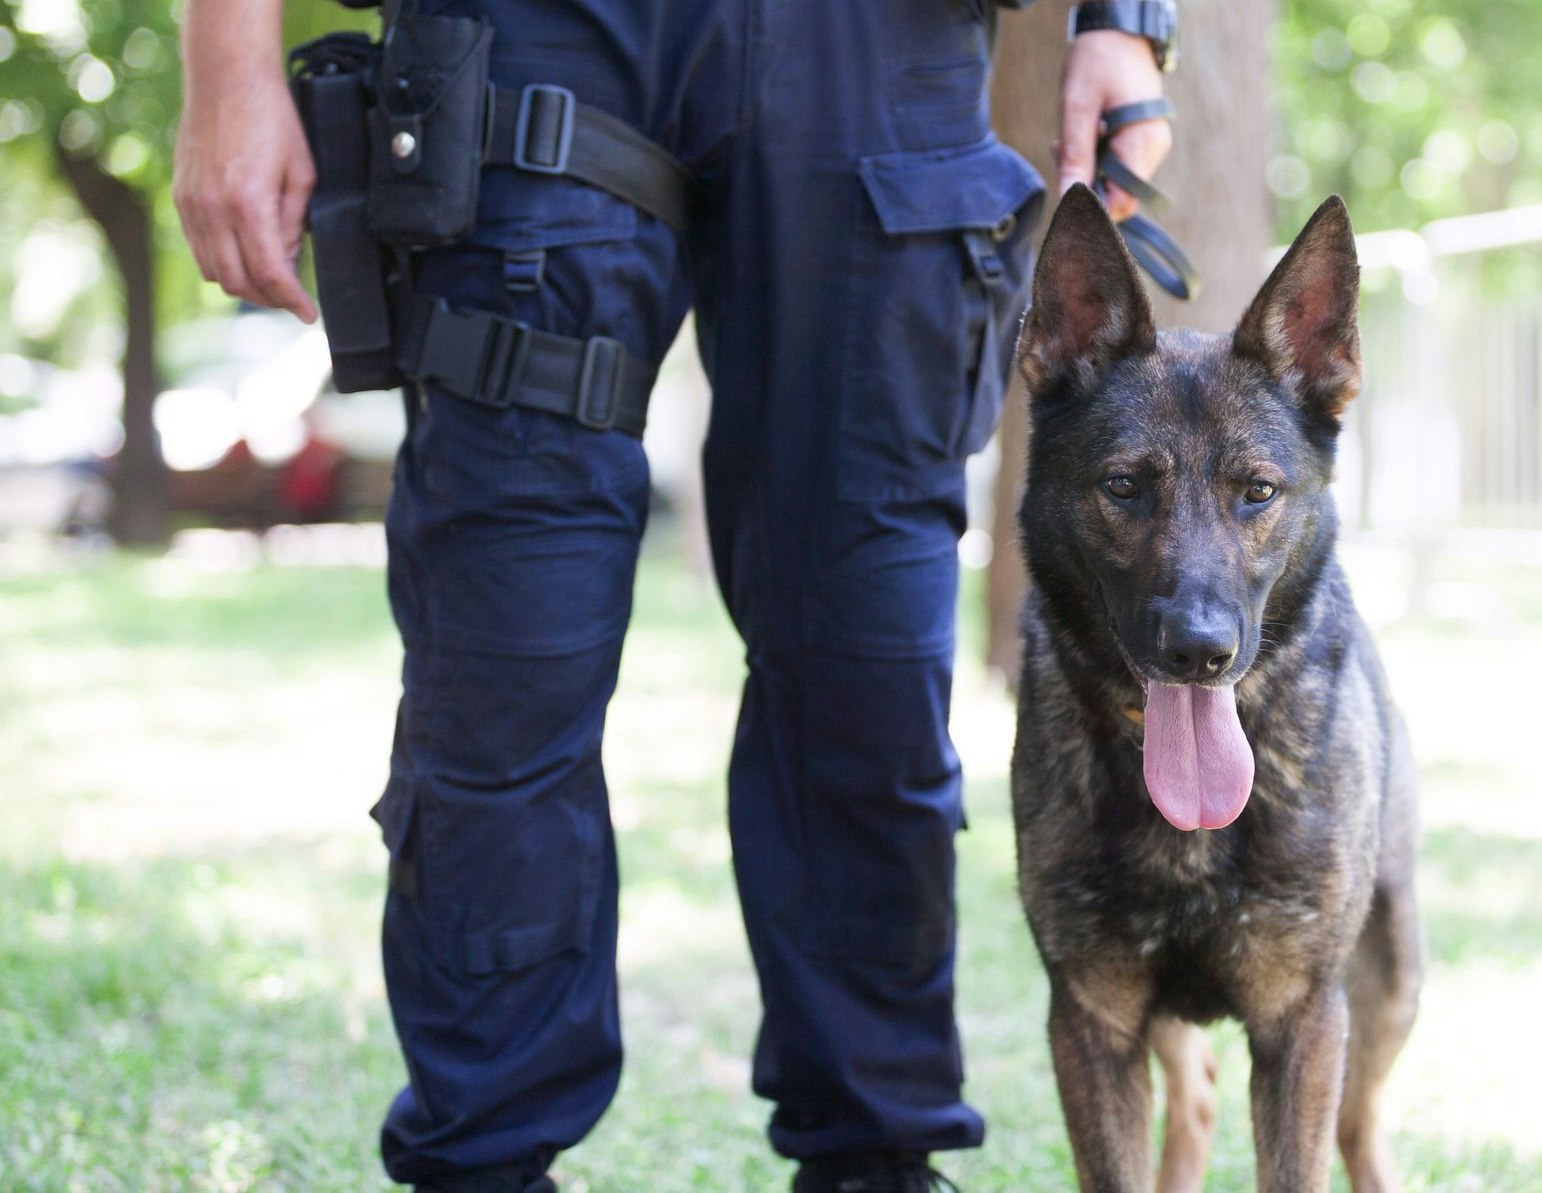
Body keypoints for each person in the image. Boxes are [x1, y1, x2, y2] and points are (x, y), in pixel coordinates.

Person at [172, 1, 1179, 1189]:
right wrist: (227, 63)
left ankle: (874, 1160)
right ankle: (481, 1167)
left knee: (865, 668)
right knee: (507, 663)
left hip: (877, 46)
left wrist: (1125, 19)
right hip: (534, 30)